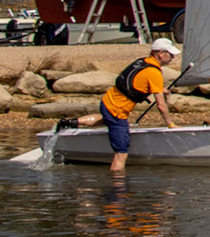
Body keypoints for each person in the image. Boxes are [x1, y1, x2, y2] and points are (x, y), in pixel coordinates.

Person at [75, 37, 180, 173]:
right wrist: (171, 124)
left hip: (107, 102)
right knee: (121, 154)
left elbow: (139, 83)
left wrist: (161, 89)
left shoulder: (143, 61)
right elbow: (161, 105)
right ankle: (117, 184)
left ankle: (73, 122)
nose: (172, 57)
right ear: (160, 54)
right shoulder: (154, 73)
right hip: (117, 111)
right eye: (170, 54)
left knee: (107, 119)